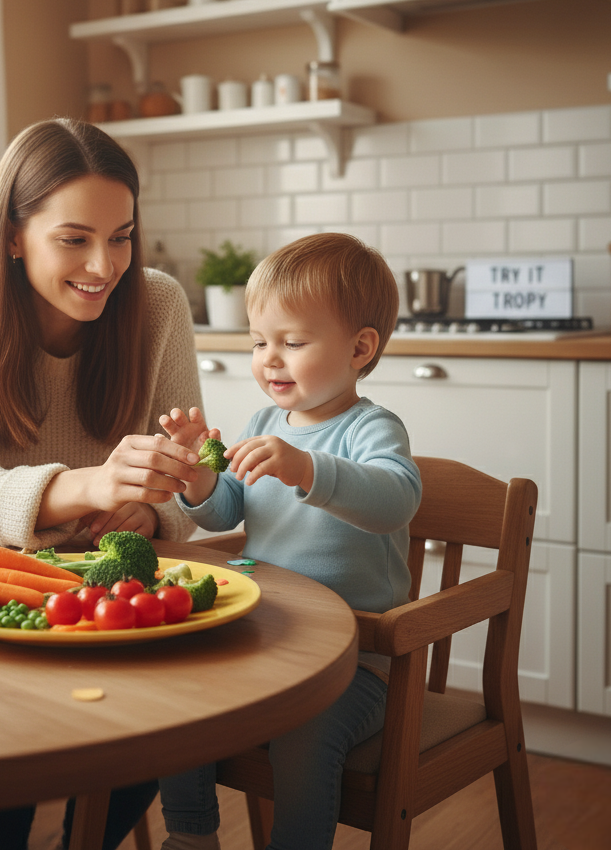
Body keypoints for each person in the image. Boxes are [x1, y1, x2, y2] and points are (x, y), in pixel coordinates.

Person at [0, 117, 203, 849]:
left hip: (115, 602)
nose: (104, 265)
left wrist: (153, 513)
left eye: (121, 237)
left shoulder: (159, 303)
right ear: (14, 235)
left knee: (168, 718)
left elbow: (187, 484)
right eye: (74, 239)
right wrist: (94, 487)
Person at [155, 232, 422, 850]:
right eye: (259, 342)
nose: (269, 360)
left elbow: (396, 500)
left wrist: (307, 468)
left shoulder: (371, 428)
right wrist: (198, 477)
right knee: (180, 696)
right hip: (269, 637)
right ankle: (191, 835)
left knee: (304, 735)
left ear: (360, 348)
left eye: (292, 343)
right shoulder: (263, 423)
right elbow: (227, 511)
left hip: (358, 661)